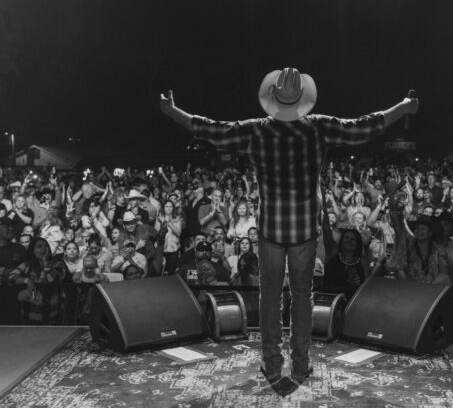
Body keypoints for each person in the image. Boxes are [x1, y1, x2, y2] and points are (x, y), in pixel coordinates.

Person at [160, 66, 418, 385]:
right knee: (302, 296)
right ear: (302, 100)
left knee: (270, 298)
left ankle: (271, 366)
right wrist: (403, 108)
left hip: (271, 231)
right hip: (304, 232)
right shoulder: (319, 128)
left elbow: (210, 129)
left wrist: (173, 112)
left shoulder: (256, 131)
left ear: (272, 98)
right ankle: (300, 365)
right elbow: (367, 125)